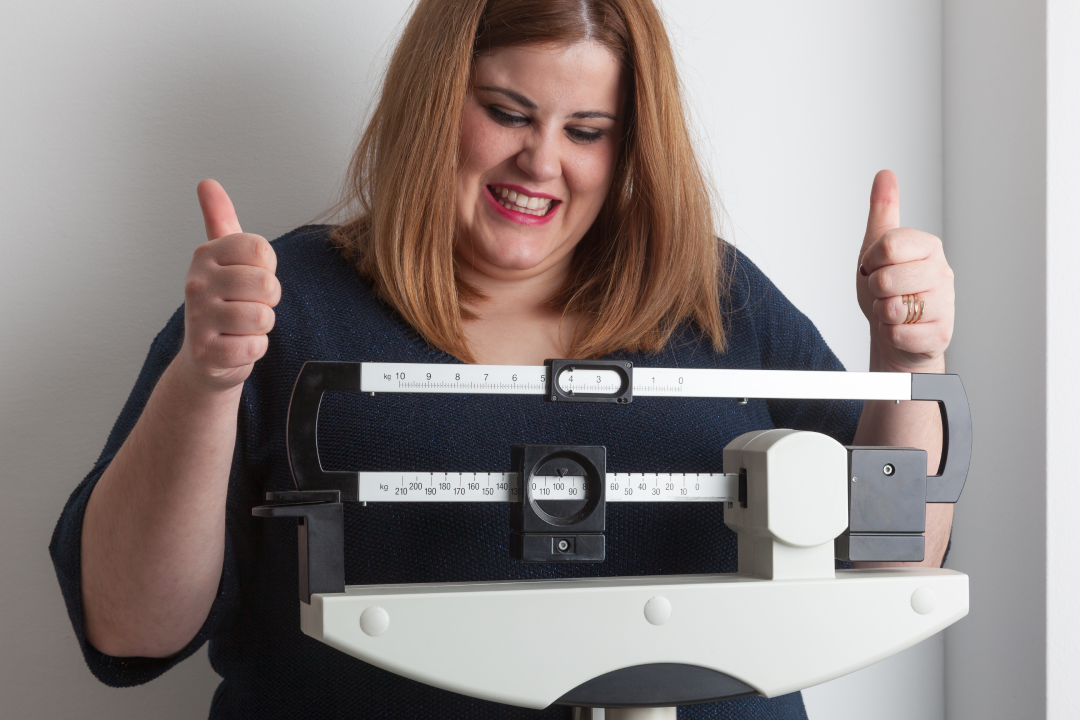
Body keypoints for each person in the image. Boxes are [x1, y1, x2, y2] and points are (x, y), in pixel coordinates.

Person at [50, 0, 956, 717]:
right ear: (434, 100)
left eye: (588, 130)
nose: (541, 162)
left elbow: (892, 570)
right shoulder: (278, 305)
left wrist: (909, 356)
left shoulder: (709, 291)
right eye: (507, 112)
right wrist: (210, 378)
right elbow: (129, 628)